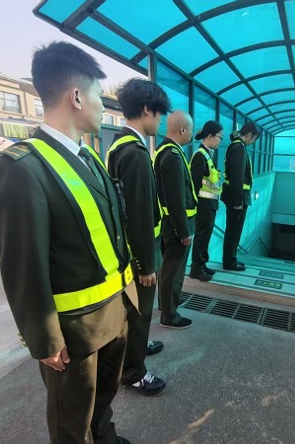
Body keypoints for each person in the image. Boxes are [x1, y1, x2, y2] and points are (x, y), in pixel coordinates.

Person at [0, 42, 131, 443]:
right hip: (74, 331)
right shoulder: (20, 168)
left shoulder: (89, 158)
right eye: (99, 95)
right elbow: (22, 265)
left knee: (103, 400)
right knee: (72, 422)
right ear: (77, 97)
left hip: (113, 312)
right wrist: (44, 339)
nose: (103, 106)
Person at [106, 79, 171, 397]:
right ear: (147, 110)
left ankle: (138, 347)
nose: (160, 122)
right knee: (140, 312)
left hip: (129, 248)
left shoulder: (119, 145)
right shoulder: (135, 153)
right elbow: (140, 213)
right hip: (139, 253)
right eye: (159, 114)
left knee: (136, 313)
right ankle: (133, 373)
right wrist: (146, 264)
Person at [153, 110, 196, 329]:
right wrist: (184, 232)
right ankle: (169, 316)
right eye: (191, 129)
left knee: (169, 268)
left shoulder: (166, 150)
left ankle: (167, 307)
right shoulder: (172, 156)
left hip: (172, 223)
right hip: (177, 225)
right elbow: (175, 199)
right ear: (183, 129)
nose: (192, 134)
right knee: (173, 271)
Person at [221, 122, 260, 271]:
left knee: (233, 230)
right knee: (234, 231)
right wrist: (238, 201)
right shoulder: (239, 148)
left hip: (236, 196)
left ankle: (231, 259)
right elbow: (237, 177)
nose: (253, 142)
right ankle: (230, 262)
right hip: (238, 198)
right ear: (249, 135)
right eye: (254, 139)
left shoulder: (237, 145)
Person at [188, 120, 224, 282]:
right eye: (219, 137)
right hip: (202, 206)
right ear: (210, 136)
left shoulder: (207, 155)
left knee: (206, 236)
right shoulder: (200, 156)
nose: (220, 141)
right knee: (201, 237)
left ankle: (202, 264)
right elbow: (194, 185)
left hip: (209, 205)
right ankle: (196, 268)